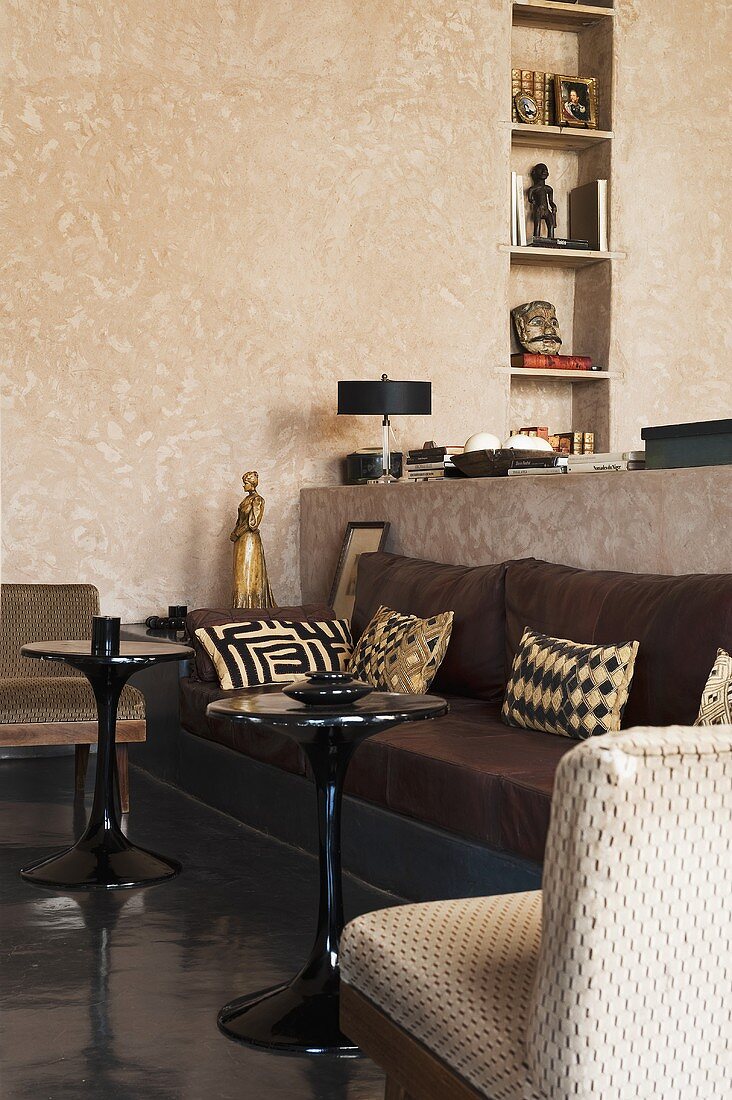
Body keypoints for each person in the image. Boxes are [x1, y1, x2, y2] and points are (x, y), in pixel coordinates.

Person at [230, 471, 276, 608]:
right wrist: (235, 533)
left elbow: (252, 523)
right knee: (240, 573)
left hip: (250, 540)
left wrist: (237, 533)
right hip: (241, 541)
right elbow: (239, 521)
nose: (243, 486)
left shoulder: (257, 500)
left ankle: (251, 605)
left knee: (248, 570)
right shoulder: (245, 500)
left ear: (252, 484)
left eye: (245, 484)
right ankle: (239, 605)